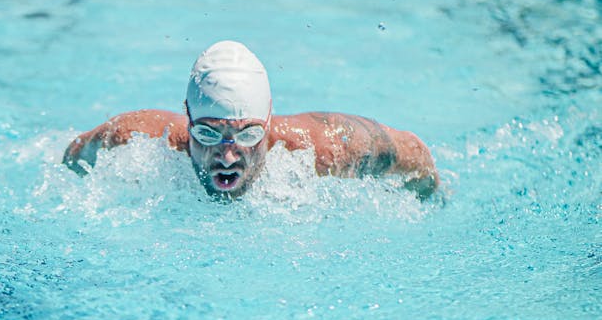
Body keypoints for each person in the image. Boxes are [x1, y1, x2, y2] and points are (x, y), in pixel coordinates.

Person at [63, 40, 439, 199]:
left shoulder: (323, 147)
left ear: (270, 122)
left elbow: (415, 155)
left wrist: (431, 202)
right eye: (208, 134)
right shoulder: (138, 137)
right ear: (187, 117)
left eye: (248, 135)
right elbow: (73, 157)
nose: (227, 157)